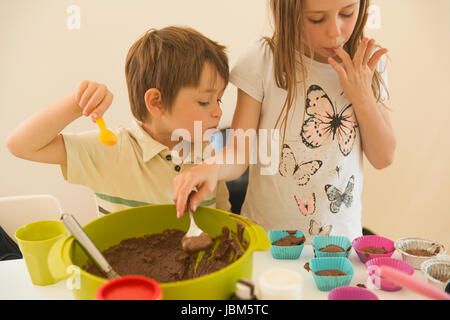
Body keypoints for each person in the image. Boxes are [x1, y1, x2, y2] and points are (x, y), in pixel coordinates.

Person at [173, 0, 396, 242]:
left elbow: (383, 157)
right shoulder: (263, 59)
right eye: (317, 18)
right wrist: (210, 168)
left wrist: (362, 95)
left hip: (339, 246)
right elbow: (238, 153)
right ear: (288, 13)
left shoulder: (367, 64)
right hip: (266, 242)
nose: (335, 31)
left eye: (347, 12)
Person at [6, 26, 231, 215]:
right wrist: (76, 104)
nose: (218, 113)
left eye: (218, 101)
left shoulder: (211, 156)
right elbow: (20, 145)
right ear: (156, 102)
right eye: (204, 102)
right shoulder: (111, 150)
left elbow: (223, 218)